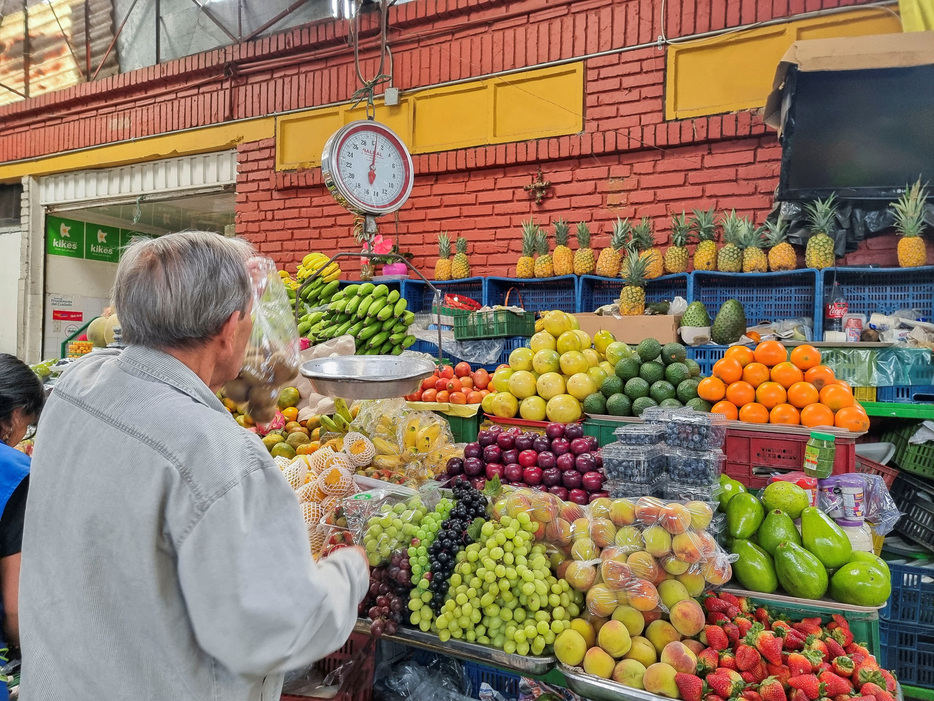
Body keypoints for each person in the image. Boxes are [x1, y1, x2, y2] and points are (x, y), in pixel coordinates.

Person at [19, 232, 368, 701]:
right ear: (229, 329)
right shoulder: (218, 454)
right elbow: (275, 629)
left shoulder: (75, 389)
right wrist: (349, 572)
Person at [0, 354, 44, 671]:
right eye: (26, 428)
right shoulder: (14, 472)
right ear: (14, 416)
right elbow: (14, 605)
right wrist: (20, 647)